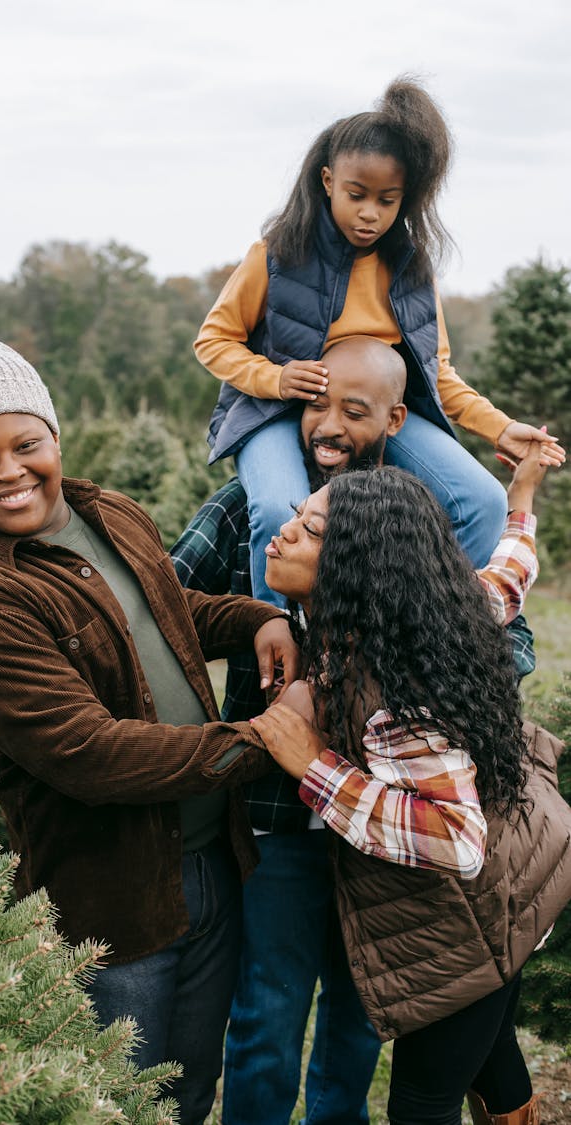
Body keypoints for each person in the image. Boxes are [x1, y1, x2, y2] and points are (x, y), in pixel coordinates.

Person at [0, 333, 302, 1125]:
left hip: (210, 865)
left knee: (190, 1093)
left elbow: (167, 612)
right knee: (114, 1108)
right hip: (111, 909)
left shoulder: (110, 514)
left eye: (26, 443)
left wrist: (257, 618)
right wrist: (266, 740)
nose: (10, 471)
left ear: (55, 437)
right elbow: (90, 755)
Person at [171, 336, 536, 1125]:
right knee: (267, 1012)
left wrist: (432, 675)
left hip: (382, 831)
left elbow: (497, 614)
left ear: (394, 420)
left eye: (354, 410)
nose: (328, 426)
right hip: (276, 818)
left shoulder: (401, 516)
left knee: (361, 1012)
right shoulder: (252, 508)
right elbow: (165, 607)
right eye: (316, 402)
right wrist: (258, 618)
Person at [251, 454, 571, 1125]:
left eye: (309, 531)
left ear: (352, 570)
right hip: (524, 879)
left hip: (476, 916)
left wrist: (315, 765)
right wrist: (522, 500)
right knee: (492, 1057)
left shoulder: (394, 695)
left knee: (422, 1103)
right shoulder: (431, 613)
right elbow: (508, 577)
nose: (282, 535)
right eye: (295, 518)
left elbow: (457, 840)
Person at [195, 76, 565, 606]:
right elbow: (214, 341)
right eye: (356, 195)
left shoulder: (411, 270)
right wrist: (275, 379)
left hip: (373, 411)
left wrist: (501, 429)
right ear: (327, 181)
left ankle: (441, 643)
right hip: (272, 411)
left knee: (482, 499)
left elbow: (436, 374)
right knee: (279, 509)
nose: (370, 213)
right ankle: (275, 648)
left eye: (386, 201)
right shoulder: (276, 255)